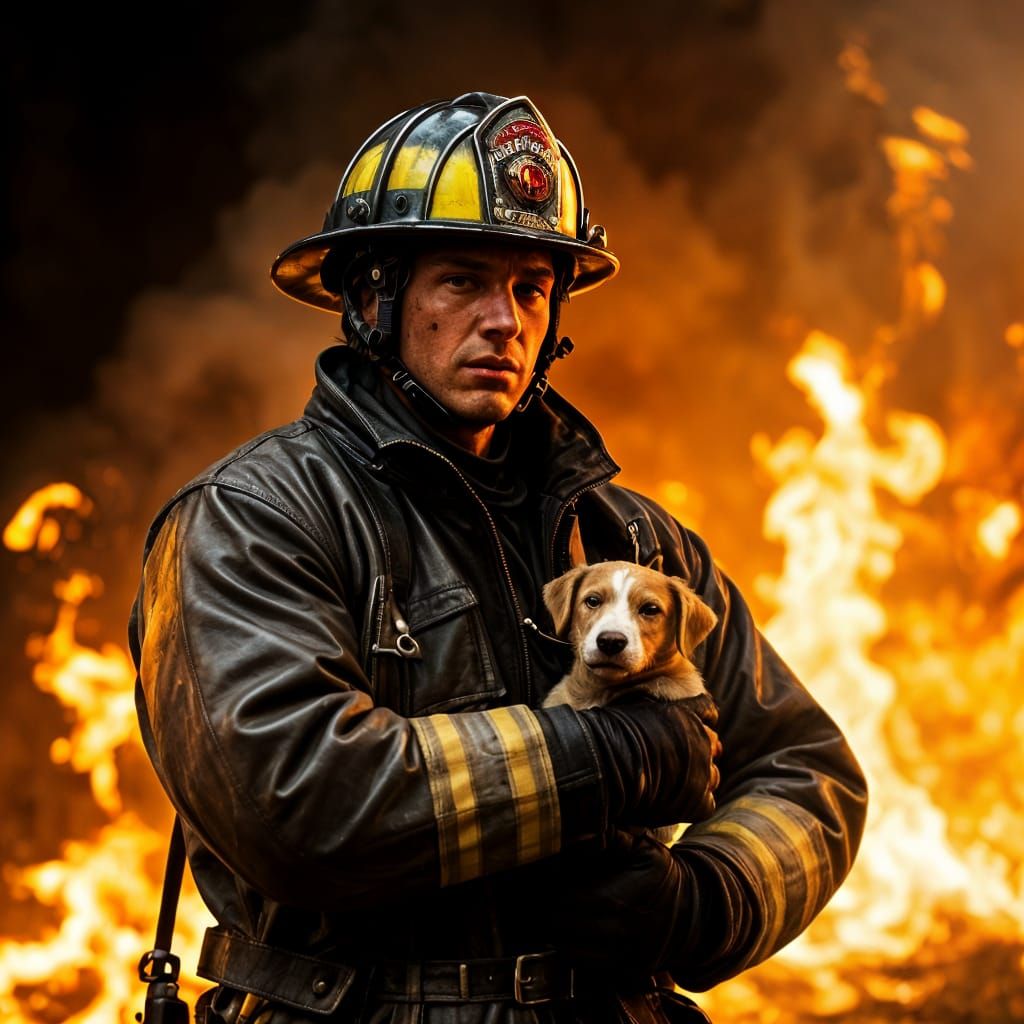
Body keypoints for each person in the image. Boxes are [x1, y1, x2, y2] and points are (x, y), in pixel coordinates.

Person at [130, 92, 866, 1024]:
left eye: (529, 288)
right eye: (462, 281)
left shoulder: (634, 546)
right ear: (372, 297)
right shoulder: (256, 517)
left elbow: (810, 769)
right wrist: (598, 756)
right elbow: (294, 799)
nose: (504, 321)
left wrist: (706, 899)